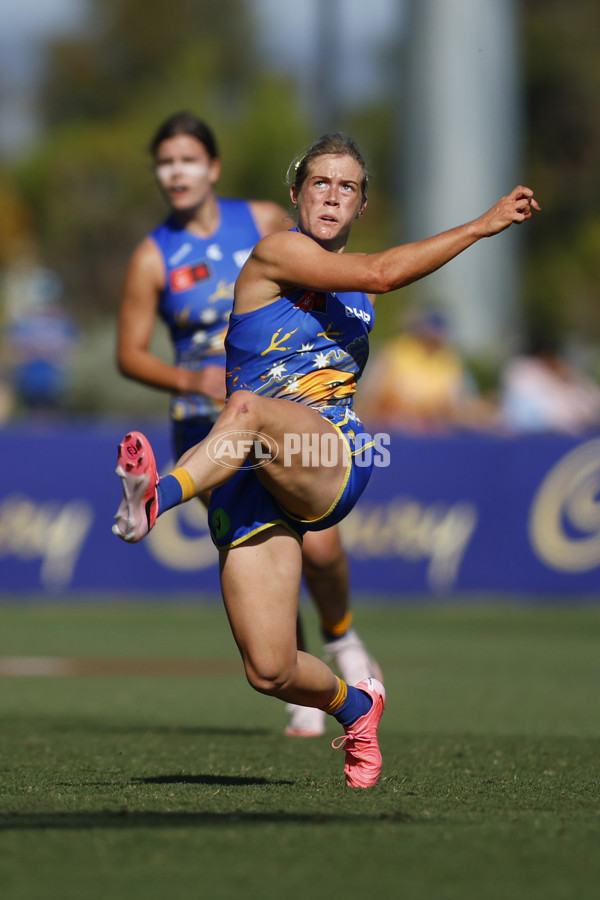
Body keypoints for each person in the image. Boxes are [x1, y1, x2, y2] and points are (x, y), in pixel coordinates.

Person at [113, 132, 539, 787]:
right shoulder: (280, 250)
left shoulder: (358, 290)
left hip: (328, 453)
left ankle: (153, 499)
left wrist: (483, 227)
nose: (332, 195)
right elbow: (381, 271)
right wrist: (481, 226)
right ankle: (358, 706)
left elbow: (378, 276)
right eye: (320, 182)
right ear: (296, 195)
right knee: (271, 668)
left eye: (347, 186)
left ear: (362, 204)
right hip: (249, 468)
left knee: (250, 416)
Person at [115, 113, 380, 740]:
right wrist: (188, 380)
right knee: (266, 657)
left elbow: (357, 272)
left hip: (278, 418)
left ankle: (342, 639)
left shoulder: (263, 222)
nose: (174, 172)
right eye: (164, 163)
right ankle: (317, 692)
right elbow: (128, 353)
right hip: (204, 420)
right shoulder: (153, 255)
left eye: (186, 160)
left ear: (213, 168)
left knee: (319, 543)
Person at [499, 330, 600, 435]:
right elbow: (538, 414)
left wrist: (566, 381)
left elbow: (592, 401)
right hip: (535, 434)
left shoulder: (566, 371)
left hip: (573, 431)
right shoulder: (523, 370)